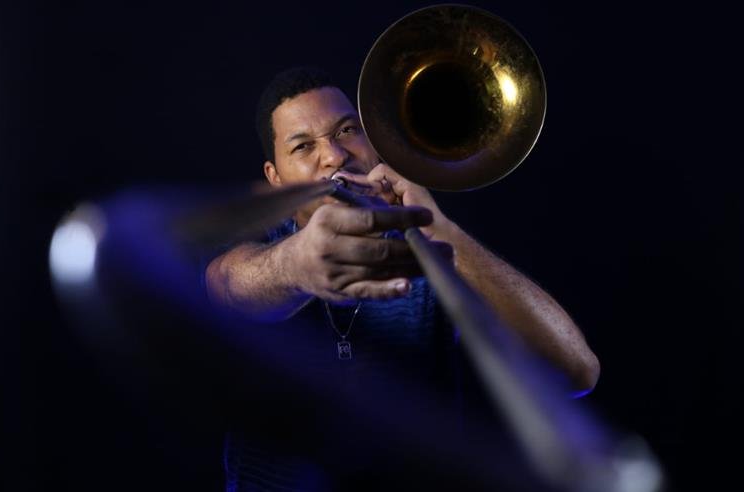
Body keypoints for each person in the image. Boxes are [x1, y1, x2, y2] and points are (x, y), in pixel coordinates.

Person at [205, 67, 600, 491]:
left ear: (374, 145)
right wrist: (294, 268)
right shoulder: (257, 239)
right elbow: (224, 286)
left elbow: (575, 371)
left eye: (347, 131)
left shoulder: (430, 250)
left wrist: (437, 227)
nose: (335, 156)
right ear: (275, 176)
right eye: (303, 146)